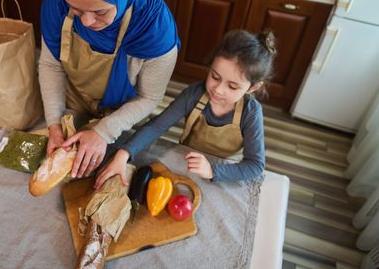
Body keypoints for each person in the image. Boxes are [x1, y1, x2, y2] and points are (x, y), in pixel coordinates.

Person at [39, 0, 180, 179]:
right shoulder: (56, 1)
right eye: (77, 10)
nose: (87, 23)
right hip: (73, 100)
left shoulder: (155, 30)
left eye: (100, 11)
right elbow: (51, 65)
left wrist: (105, 131)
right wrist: (54, 123)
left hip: (121, 114)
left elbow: (149, 98)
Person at [94, 30, 277, 188]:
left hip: (223, 170)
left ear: (252, 87)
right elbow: (156, 126)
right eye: (215, 76)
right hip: (187, 159)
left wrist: (213, 170)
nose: (218, 90)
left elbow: (254, 166)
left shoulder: (251, 113)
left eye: (232, 87)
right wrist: (124, 153)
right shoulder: (194, 94)